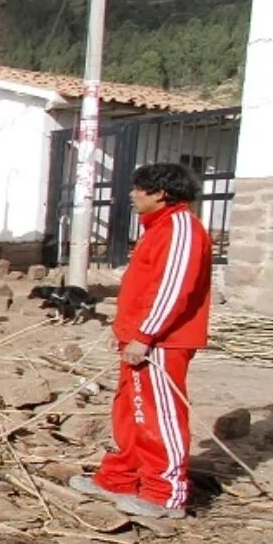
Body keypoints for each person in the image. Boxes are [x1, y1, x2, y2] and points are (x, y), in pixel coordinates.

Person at [70, 162, 211, 520]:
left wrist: (145, 335)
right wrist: (126, 333)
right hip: (140, 340)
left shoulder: (180, 228)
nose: (132, 195)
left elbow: (172, 289)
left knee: (158, 415)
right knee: (130, 412)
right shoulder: (157, 229)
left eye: (139, 189)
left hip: (163, 342)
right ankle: (121, 478)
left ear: (161, 193)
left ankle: (165, 492)